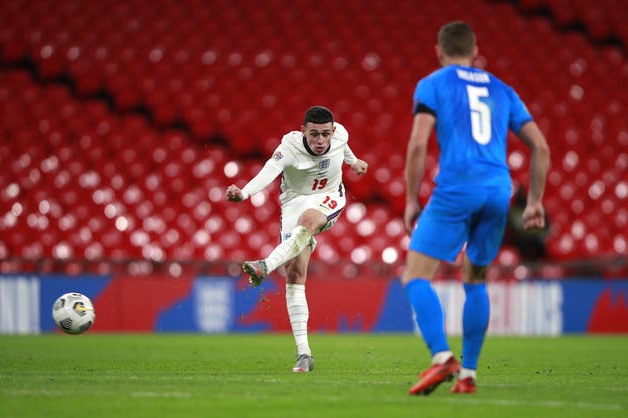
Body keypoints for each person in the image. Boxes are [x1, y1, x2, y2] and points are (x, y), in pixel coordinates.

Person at [402, 21, 550, 395]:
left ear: (439, 50)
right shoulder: (503, 89)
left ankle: (441, 358)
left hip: (458, 186)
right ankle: (468, 375)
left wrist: (410, 199)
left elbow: (419, 144)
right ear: (475, 49)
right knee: (476, 280)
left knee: (415, 276)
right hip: (498, 190)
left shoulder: (433, 83)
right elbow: (542, 147)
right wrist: (533, 201)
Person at [226, 105, 368, 373]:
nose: (320, 141)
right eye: (314, 134)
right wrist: (244, 193)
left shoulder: (340, 136)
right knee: (294, 274)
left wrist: (354, 162)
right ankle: (304, 354)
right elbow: (269, 171)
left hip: (328, 197)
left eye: (326, 134)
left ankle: (265, 265)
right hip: (293, 202)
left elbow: (343, 148)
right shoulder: (289, 147)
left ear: (333, 131)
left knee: (309, 221)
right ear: (303, 130)